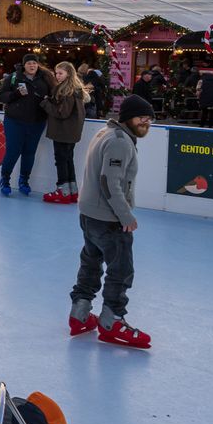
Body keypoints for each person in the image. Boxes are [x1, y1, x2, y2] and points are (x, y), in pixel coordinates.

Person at [68, 92, 154, 348]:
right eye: (141, 118)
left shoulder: (106, 132)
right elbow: (109, 182)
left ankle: (80, 314)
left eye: (149, 118)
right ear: (127, 118)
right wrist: (125, 215)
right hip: (107, 218)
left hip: (89, 213)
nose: (146, 123)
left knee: (91, 262)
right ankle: (112, 322)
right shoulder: (120, 141)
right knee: (121, 269)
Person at [0, 55, 52, 196]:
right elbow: (1, 96)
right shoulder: (14, 77)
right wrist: (15, 94)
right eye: (29, 63)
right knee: (13, 151)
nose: (32, 66)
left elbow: (54, 95)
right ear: (24, 65)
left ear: (38, 65)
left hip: (36, 122)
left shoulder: (45, 78)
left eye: (34, 63)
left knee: (29, 152)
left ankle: (24, 180)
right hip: (15, 121)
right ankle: (5, 179)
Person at [40, 62, 87, 204]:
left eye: (60, 73)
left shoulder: (67, 91)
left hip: (63, 131)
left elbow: (62, 113)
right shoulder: (76, 89)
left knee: (61, 160)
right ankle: (72, 191)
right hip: (71, 131)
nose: (57, 76)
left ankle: (62, 191)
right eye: (56, 73)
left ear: (69, 73)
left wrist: (46, 103)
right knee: (68, 160)